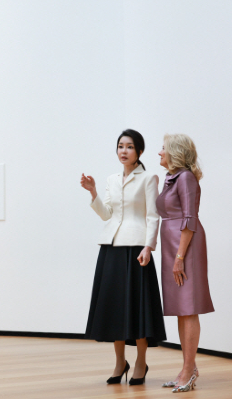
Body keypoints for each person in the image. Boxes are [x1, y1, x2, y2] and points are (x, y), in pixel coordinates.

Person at [81, 129, 166, 386]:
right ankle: (120, 362)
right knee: (115, 307)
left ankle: (141, 362)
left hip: (136, 248)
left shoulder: (148, 178)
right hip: (111, 247)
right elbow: (107, 214)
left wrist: (149, 247)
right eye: (120, 146)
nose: (123, 151)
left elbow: (153, 215)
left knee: (137, 308)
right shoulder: (112, 179)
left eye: (129, 147)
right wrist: (93, 192)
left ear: (139, 151)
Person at [156, 134, 214, 393]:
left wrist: (180, 258)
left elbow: (190, 219)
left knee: (189, 308)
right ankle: (187, 367)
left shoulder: (186, 178)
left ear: (176, 152)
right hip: (173, 245)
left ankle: (189, 370)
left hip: (185, 246)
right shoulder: (172, 178)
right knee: (181, 307)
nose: (160, 152)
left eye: (163, 148)